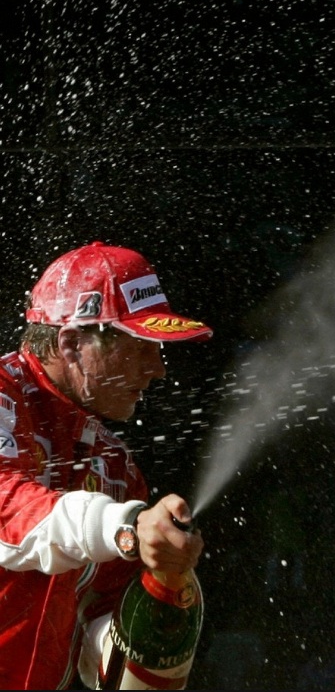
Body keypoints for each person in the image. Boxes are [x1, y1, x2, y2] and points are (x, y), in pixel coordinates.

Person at [0, 241, 213, 690]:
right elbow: (8, 512)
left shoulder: (117, 468)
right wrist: (127, 527)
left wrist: (156, 613)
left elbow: (96, 621)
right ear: (72, 344)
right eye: (141, 346)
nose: (158, 369)